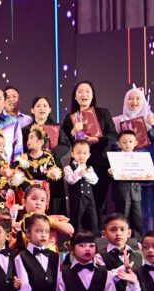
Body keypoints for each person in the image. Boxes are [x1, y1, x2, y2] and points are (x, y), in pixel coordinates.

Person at [60, 80, 118, 218]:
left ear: (92, 95)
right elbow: (63, 141)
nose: (84, 94)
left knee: (99, 201)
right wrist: (73, 131)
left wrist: (96, 139)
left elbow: (113, 135)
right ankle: (78, 229)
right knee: (78, 200)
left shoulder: (103, 113)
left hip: (100, 163)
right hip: (77, 164)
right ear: (75, 96)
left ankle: (97, 229)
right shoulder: (69, 118)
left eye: (87, 91)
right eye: (80, 91)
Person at [112, 88, 154, 233]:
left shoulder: (151, 117)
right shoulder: (118, 120)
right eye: (130, 98)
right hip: (126, 170)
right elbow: (113, 146)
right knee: (127, 207)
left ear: (143, 101)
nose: (134, 102)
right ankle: (127, 237)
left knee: (149, 206)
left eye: (138, 98)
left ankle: (149, 236)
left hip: (146, 167)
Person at [108, 131, 144, 238]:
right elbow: (112, 177)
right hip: (122, 193)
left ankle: (137, 241)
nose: (128, 144)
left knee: (137, 218)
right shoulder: (115, 158)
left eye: (130, 141)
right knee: (122, 219)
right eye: (124, 142)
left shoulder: (140, 158)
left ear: (136, 143)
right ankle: (121, 239)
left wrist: (150, 174)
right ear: (119, 144)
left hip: (136, 193)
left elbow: (145, 178)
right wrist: (111, 174)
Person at [63, 139, 98, 234]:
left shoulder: (89, 168)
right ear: (72, 154)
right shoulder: (68, 168)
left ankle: (92, 240)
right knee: (77, 222)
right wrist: (79, 170)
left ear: (89, 155)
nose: (82, 156)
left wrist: (85, 174)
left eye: (85, 153)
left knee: (92, 221)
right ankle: (76, 240)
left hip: (89, 199)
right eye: (78, 153)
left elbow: (95, 180)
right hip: (76, 200)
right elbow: (71, 180)